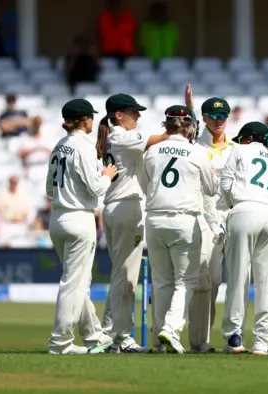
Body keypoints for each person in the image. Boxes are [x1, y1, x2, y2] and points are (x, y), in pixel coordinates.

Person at [139, 105, 218, 354]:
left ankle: (157, 340)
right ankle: (171, 329)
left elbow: (144, 184)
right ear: (189, 127)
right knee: (185, 280)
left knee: (161, 281)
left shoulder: (151, 151)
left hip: (154, 219)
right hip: (185, 220)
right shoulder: (196, 152)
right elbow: (213, 188)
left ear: (167, 125)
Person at [96, 93, 167, 353]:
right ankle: (117, 336)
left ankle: (109, 332)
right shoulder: (121, 136)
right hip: (125, 207)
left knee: (121, 274)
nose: (138, 116)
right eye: (133, 111)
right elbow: (163, 139)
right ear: (118, 115)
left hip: (118, 207)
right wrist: (180, 123)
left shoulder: (113, 136)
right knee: (126, 276)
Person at [46, 99, 118, 354]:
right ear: (86, 120)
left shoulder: (59, 146)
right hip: (79, 218)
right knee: (73, 283)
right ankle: (60, 342)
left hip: (58, 219)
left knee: (77, 282)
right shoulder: (83, 147)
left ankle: (93, 335)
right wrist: (107, 176)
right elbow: (96, 188)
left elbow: (48, 189)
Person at [220, 121, 268, 356]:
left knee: (238, 276)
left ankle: (234, 336)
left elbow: (225, 182)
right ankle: (262, 341)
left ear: (247, 138)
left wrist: (233, 205)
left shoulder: (239, 149)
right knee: (266, 281)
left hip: (245, 210)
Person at [184, 85, 234, 353]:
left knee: (227, 280)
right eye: (213, 116)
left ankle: (225, 337)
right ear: (203, 118)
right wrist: (189, 106)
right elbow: (187, 130)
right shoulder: (196, 147)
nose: (218, 120)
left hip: (231, 216)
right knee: (208, 278)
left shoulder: (235, 148)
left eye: (223, 115)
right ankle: (199, 339)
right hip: (206, 218)